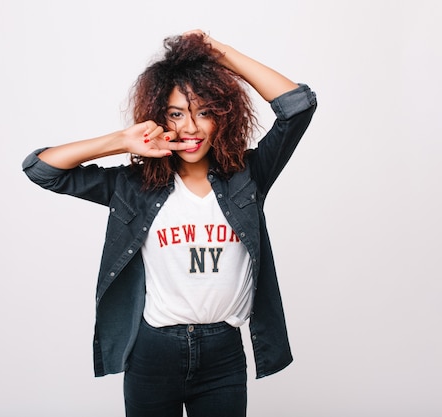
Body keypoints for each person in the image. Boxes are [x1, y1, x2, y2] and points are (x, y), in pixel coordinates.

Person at [22, 29, 317, 417]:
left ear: (223, 117)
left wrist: (219, 53)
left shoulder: (248, 176)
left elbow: (297, 105)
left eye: (205, 112)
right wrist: (121, 141)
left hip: (223, 353)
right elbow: (42, 170)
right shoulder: (134, 186)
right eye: (176, 114)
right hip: (152, 353)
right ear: (158, 118)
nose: (191, 128)